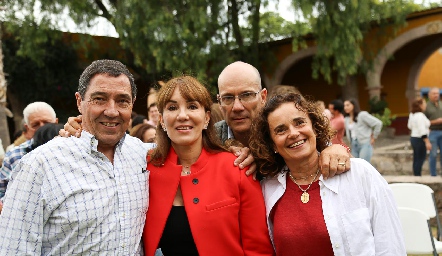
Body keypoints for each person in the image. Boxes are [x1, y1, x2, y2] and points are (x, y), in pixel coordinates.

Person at [0, 59, 153, 255]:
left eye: (122, 101)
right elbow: (13, 249)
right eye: (99, 99)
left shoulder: (143, 155)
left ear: (132, 105)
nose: (112, 111)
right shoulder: (39, 165)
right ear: (80, 102)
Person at [249, 93, 406, 255]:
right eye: (280, 130)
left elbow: (391, 246)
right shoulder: (267, 190)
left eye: (300, 122)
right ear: (272, 144)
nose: (293, 133)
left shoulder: (360, 175)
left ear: (315, 128)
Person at [143, 75, 274, 256]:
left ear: (206, 118)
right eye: (172, 108)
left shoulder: (237, 167)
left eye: (192, 106)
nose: (183, 115)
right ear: (162, 120)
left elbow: (258, 250)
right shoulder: (144, 170)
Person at [216, 61, 351, 176]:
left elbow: (336, 156)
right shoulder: (208, 138)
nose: (237, 107)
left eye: (246, 95)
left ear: (263, 97)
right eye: (227, 98)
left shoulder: (286, 134)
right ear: (219, 101)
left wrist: (335, 150)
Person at [0, 101, 58, 200]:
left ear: (56, 122)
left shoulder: (70, 150)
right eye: (35, 125)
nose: (42, 127)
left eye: (46, 122)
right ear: (27, 128)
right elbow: (2, 192)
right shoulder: (14, 155)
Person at [343, 98, 382, 162]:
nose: (345, 107)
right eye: (344, 106)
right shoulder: (346, 119)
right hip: (353, 144)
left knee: (364, 165)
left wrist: (374, 137)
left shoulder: (362, 115)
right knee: (356, 166)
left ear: (353, 105)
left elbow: (378, 123)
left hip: (364, 143)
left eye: (348, 105)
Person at [408, 98, 432, 176]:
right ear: (420, 105)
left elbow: (409, 126)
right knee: (420, 158)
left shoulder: (412, 115)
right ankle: (418, 175)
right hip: (420, 139)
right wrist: (427, 142)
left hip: (413, 138)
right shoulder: (420, 116)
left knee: (416, 158)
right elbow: (422, 130)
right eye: (424, 103)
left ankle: (416, 174)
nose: (425, 105)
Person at [424, 87, 442, 176]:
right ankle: (433, 174)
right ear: (429, 95)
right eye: (434, 94)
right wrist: (436, 121)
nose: (436, 95)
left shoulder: (441, 104)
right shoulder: (426, 107)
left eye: (437, 93)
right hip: (433, 132)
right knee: (433, 154)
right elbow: (423, 121)